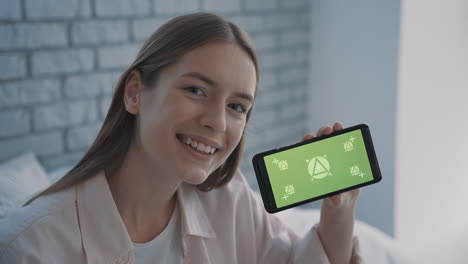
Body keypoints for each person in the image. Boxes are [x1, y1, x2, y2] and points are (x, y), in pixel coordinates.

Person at [0, 13, 362, 263]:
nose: (217, 122)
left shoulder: (229, 200)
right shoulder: (30, 246)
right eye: (196, 90)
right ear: (135, 93)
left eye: (238, 107)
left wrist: (339, 210)